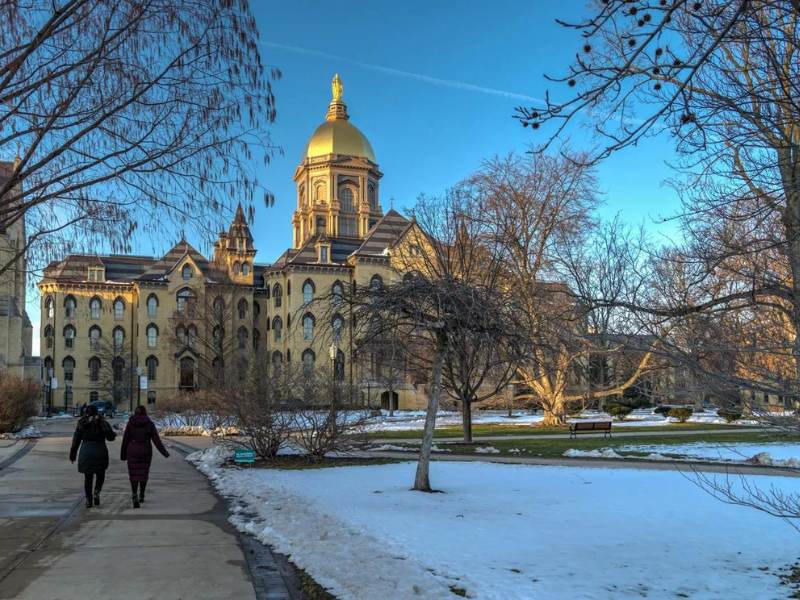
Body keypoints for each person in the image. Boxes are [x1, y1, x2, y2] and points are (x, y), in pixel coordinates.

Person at [120, 405, 169, 508]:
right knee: (143, 473)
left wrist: (123, 454)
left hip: (132, 450)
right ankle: (141, 494)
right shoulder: (149, 424)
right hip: (145, 450)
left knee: (133, 474)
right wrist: (164, 452)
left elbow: (125, 439)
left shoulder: (130, 423)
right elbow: (156, 440)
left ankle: (134, 494)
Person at [69, 404, 116, 508]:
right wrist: (111, 432)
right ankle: (97, 492)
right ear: (97, 412)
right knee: (100, 474)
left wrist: (73, 454)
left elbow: (76, 440)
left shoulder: (82, 423)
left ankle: (88, 500)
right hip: (100, 451)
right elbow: (110, 437)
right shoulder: (102, 422)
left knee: (88, 477)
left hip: (86, 451)